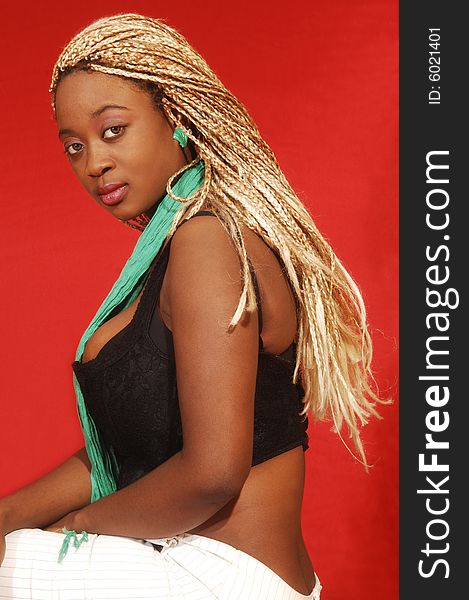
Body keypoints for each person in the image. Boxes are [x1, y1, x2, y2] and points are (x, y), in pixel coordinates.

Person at [0, 12, 385, 599]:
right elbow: (121, 454)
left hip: (213, 577)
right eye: (73, 146)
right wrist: (9, 520)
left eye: (112, 131)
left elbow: (212, 474)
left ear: (176, 118)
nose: (92, 163)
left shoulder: (206, 240)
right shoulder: (183, 245)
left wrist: (68, 534)